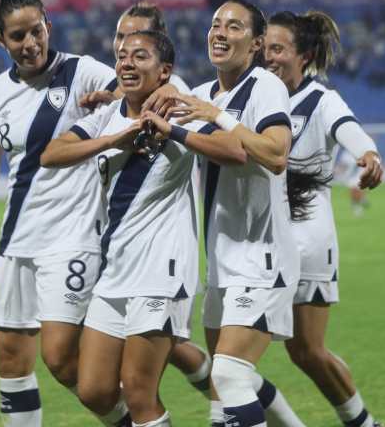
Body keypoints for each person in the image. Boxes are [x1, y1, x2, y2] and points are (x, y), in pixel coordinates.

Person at [0, 0, 128, 427]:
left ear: (48, 25)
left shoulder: (82, 72)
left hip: (73, 236)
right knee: (10, 357)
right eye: (18, 36)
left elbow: (137, 92)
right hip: (18, 239)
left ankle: (135, 421)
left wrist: (112, 96)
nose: (30, 43)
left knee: (60, 360)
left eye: (37, 30)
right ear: (0, 40)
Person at [41, 30, 240, 426]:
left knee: (138, 390)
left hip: (160, 272)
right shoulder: (105, 118)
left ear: (164, 70)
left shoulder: (179, 112)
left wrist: (173, 131)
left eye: (140, 56)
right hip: (114, 272)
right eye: (122, 56)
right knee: (95, 389)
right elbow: (52, 154)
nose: (127, 63)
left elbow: (234, 151)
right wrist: (118, 138)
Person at [158, 0, 307, 427]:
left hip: (263, 258)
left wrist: (218, 117)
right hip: (221, 261)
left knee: (227, 374)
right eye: (215, 24)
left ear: (257, 43)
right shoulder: (201, 95)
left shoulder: (265, 87)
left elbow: (277, 155)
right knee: (230, 383)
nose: (220, 32)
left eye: (235, 26)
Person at [86, 1, 214, 398]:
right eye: (121, 40)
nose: (126, 49)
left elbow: (226, 141)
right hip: (116, 260)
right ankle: (228, 392)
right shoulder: (112, 99)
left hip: (162, 261)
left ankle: (233, 396)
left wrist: (172, 95)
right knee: (94, 389)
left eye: (138, 43)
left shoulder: (175, 97)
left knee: (139, 388)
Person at [263, 10, 383, 427]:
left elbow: (349, 129)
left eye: (278, 49)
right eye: (265, 48)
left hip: (307, 238)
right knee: (290, 352)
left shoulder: (320, 99)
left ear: (305, 54)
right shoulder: (256, 92)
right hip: (261, 236)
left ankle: (363, 423)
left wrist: (368, 155)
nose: (269, 57)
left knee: (307, 352)